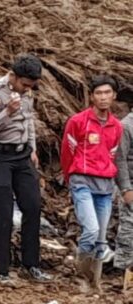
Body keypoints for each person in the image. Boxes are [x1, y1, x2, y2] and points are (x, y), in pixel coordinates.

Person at [0, 54, 52, 285]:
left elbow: (29, 120)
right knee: (4, 213)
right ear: (12, 76)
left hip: (22, 156)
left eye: (31, 86)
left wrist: (31, 147)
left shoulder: (27, 91)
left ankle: (31, 264)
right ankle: (2, 270)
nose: (26, 89)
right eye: (24, 84)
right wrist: (7, 112)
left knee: (32, 206)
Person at [61, 75, 122, 292]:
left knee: (101, 236)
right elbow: (67, 152)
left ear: (114, 96)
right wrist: (71, 177)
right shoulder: (78, 121)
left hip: (105, 185)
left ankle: (95, 283)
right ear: (92, 96)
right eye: (99, 93)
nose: (103, 97)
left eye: (107, 93)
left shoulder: (116, 126)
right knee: (91, 230)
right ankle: (81, 277)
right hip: (82, 180)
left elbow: (113, 155)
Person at [115, 107, 133, 287]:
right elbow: (120, 159)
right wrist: (125, 188)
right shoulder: (126, 126)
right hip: (130, 184)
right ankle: (125, 273)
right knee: (129, 228)